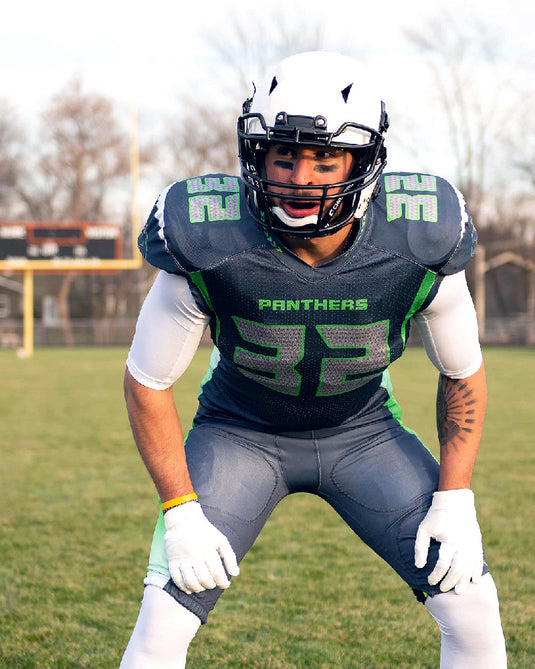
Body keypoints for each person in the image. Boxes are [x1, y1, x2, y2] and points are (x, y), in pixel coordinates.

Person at [120, 51, 507, 668]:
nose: (301, 177)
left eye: (324, 158)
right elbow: (147, 381)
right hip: (238, 434)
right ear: (256, 156)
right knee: (163, 620)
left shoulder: (417, 235)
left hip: (364, 435)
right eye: (284, 155)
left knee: (472, 606)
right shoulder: (211, 237)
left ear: (364, 160)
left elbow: (462, 373)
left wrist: (455, 496)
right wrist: (180, 510)